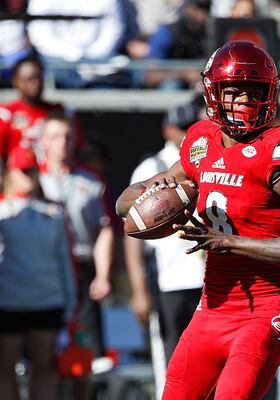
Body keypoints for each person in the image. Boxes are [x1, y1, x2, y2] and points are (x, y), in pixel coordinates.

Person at [115, 40, 280, 399]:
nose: (244, 99)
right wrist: (152, 198)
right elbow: (125, 203)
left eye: (253, 91)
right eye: (234, 91)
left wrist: (227, 241)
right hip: (211, 308)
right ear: (213, 93)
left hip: (265, 309)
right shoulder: (200, 142)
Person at [123, 101, 206, 397]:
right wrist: (138, 289)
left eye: (191, 127)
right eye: (181, 128)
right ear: (167, 129)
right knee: (173, 361)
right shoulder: (153, 167)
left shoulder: (209, 157)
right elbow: (131, 229)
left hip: (211, 276)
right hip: (171, 278)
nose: (186, 134)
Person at [0, 146, 76, 400]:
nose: (28, 176)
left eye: (32, 171)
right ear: (10, 173)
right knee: (4, 369)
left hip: (46, 300)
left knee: (43, 368)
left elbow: (65, 259)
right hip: (8, 301)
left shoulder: (53, 213)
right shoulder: (2, 212)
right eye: (23, 171)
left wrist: (70, 302)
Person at [39, 113, 115, 359]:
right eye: (55, 136)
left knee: (85, 350)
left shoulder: (92, 180)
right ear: (43, 141)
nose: (62, 142)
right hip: (42, 270)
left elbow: (104, 228)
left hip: (82, 268)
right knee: (42, 349)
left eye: (67, 136)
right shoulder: (31, 179)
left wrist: (103, 275)